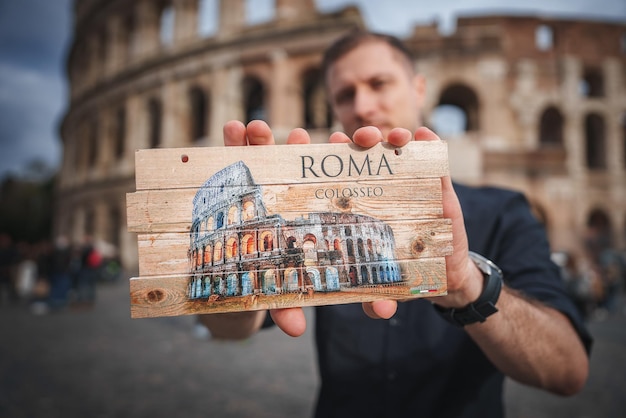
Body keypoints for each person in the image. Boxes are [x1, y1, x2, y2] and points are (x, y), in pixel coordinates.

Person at [200, 31, 592, 418]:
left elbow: (567, 371)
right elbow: (227, 330)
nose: (363, 106)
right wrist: (236, 279)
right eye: (345, 94)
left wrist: (466, 284)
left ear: (420, 89)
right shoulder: (320, 217)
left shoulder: (503, 210)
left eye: (379, 83)